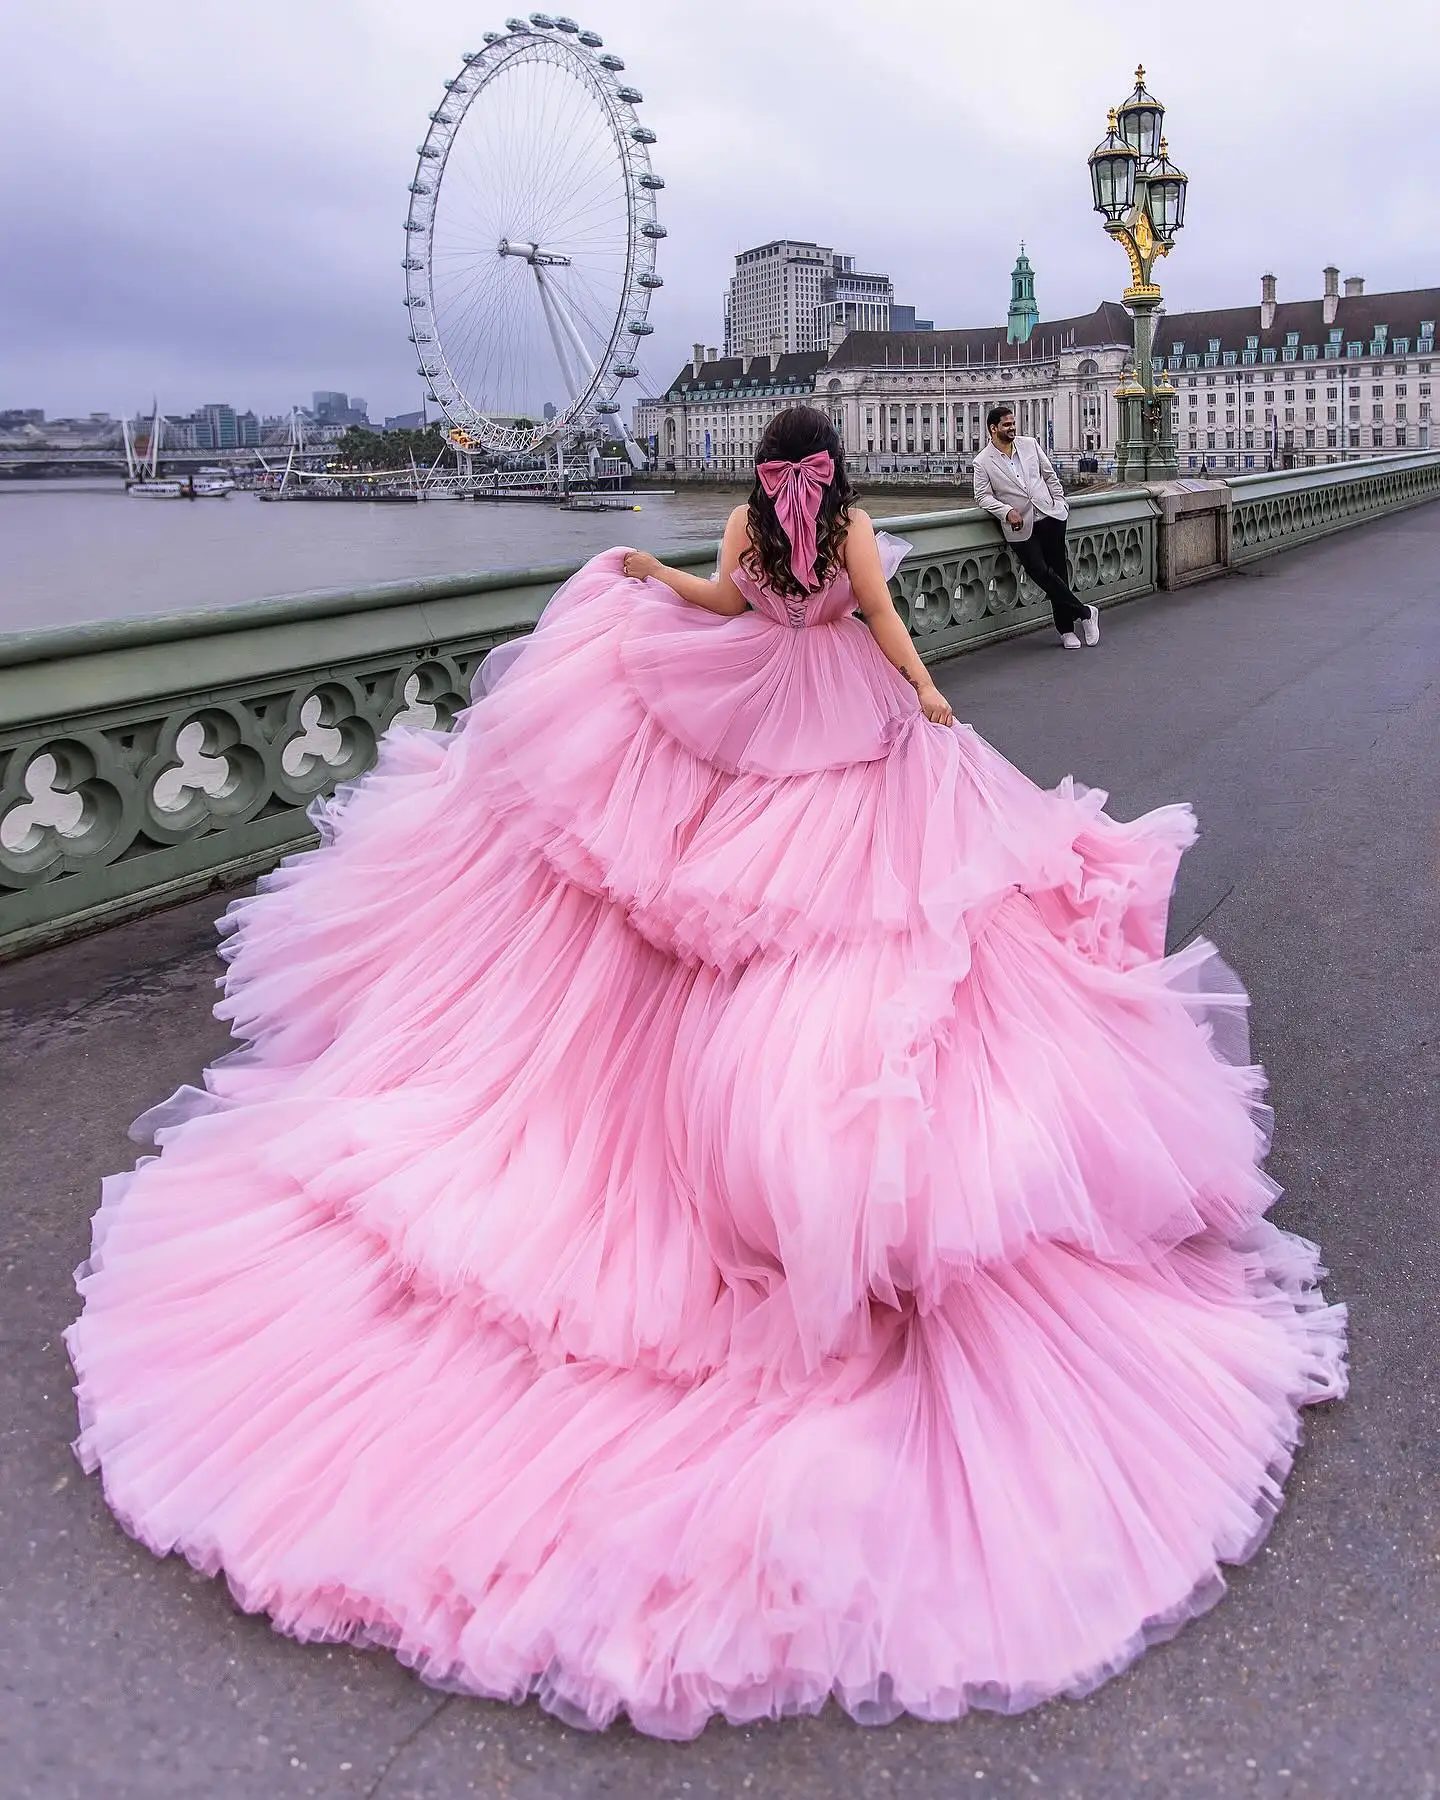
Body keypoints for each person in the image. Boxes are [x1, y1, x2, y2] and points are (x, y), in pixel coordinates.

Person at [68, 405, 1345, 1741]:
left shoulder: (750, 526)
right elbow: (882, 628)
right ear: (832, 474)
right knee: (862, 924)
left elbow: (716, 601)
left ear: (763, 473)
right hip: (848, 741)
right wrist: (921, 692)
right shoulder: (849, 533)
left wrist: (641, 580)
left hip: (747, 735)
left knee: (708, 915)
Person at [973, 405, 1100, 649]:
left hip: (1050, 516)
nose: (1012, 428)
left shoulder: (1029, 444)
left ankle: (1066, 632)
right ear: (993, 428)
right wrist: (1006, 511)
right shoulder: (982, 462)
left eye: (1013, 423)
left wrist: (1060, 503)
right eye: (1007, 424)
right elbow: (982, 496)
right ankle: (1085, 613)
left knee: (1058, 573)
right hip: (1020, 524)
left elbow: (1049, 475)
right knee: (1039, 572)